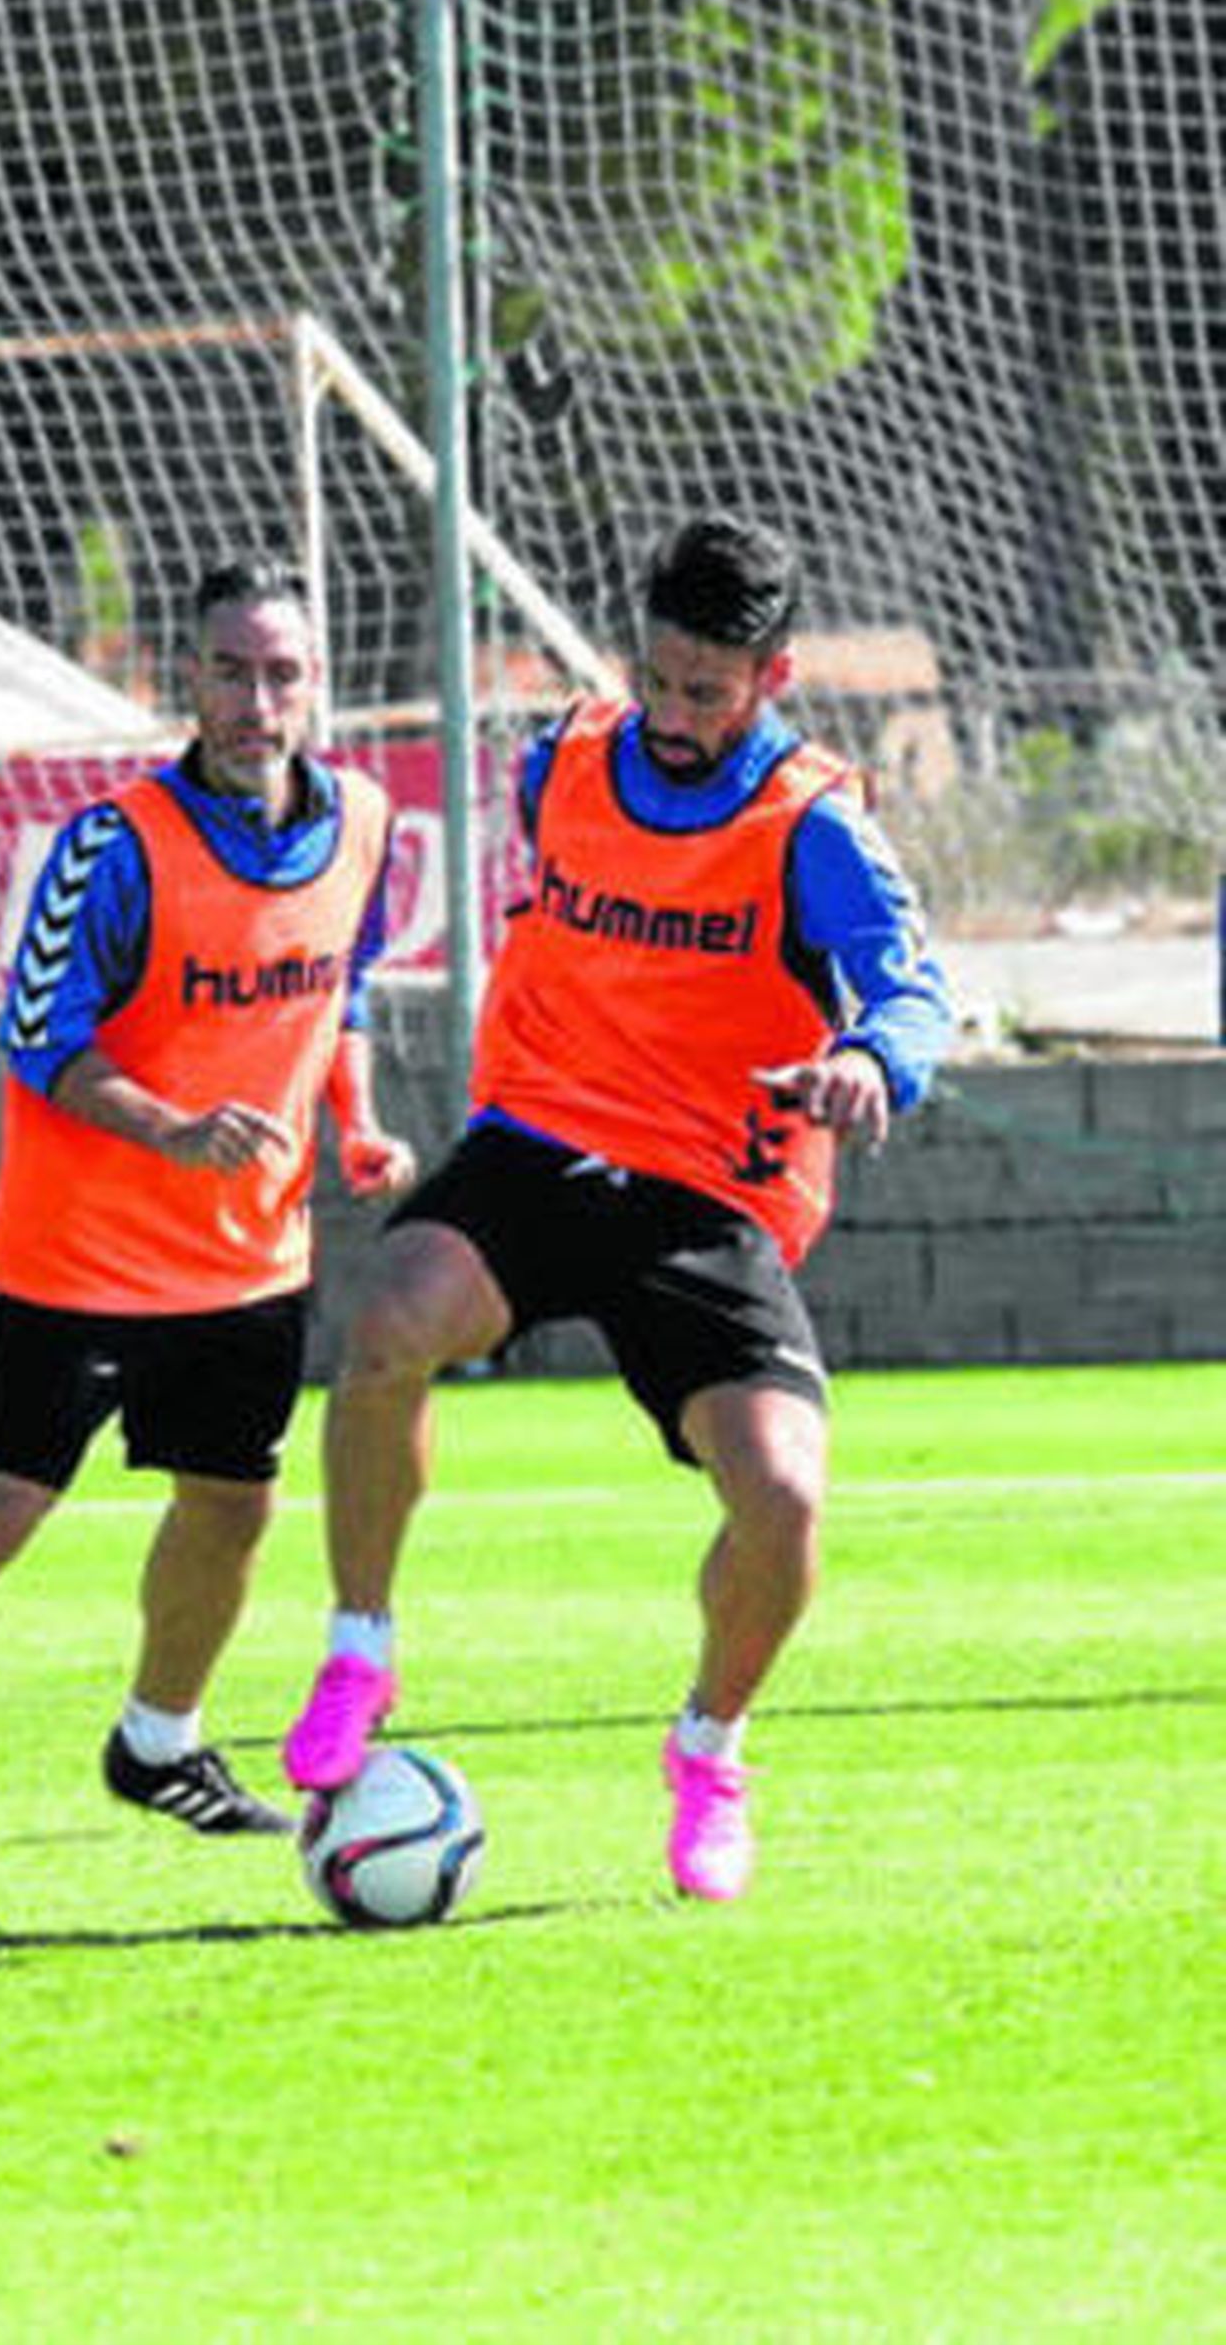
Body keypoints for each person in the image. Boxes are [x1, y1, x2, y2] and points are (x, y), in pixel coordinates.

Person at [281, 512, 952, 1901]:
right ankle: (359, 1650)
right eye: (658, 678)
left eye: (709, 691)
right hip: (542, 1141)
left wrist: (869, 1061)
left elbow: (909, 983)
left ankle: (710, 1749)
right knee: (389, 1322)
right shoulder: (564, 763)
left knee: (782, 1497)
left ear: (772, 679)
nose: (675, 713)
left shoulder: (810, 823)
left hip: (707, 1189)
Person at [0, 558, 415, 1868]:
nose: (257, 702)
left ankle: (159, 1746)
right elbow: (40, 1035)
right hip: (87, 1264)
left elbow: (345, 987)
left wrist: (358, 1119)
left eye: (282, 674)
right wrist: (175, 1130)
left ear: (317, 684)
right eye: (231, 672)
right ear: (188, 679)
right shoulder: (116, 845)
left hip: (251, 1262)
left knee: (231, 1510)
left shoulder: (366, 822)